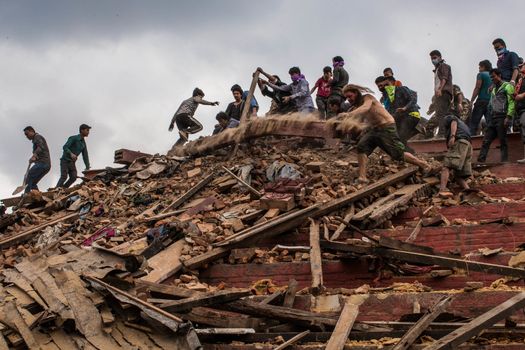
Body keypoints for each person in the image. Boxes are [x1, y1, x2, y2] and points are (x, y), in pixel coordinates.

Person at [338, 84, 431, 184]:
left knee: (398, 154)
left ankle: (424, 165)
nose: (349, 99)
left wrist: (349, 115)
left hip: (386, 127)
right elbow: (358, 121)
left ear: (356, 93)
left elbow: (365, 108)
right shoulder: (355, 107)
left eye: (350, 96)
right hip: (374, 130)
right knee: (361, 147)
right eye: (347, 98)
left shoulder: (368, 98)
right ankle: (362, 177)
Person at [478, 69, 515, 163]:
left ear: (499, 75)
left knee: (502, 140)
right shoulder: (493, 89)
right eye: (491, 77)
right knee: (486, 140)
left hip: (502, 117)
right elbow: (491, 103)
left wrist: (509, 116)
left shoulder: (507, 86)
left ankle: (504, 162)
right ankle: (480, 161)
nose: (492, 79)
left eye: (493, 76)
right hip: (493, 117)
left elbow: (511, 102)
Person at [375, 76, 421, 151]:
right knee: (393, 136)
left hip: (411, 114)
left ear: (392, 83)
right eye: (380, 86)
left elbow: (413, 99)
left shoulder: (401, 89)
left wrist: (405, 108)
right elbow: (389, 110)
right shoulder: (386, 96)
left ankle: (408, 155)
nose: (383, 87)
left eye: (386, 85)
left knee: (401, 136)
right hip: (399, 117)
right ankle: (407, 153)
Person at [438, 115, 472, 198]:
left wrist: (452, 136)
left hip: (459, 142)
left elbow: (453, 121)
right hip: (468, 145)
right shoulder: (463, 125)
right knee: (458, 175)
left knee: (446, 167)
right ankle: (469, 191)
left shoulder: (449, 118)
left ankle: (442, 190)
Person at [426, 50, 453, 138]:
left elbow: (444, 79)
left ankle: (442, 134)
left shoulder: (444, 66)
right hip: (440, 94)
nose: (433, 60)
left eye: (435, 58)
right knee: (440, 114)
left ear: (440, 58)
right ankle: (444, 133)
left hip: (444, 92)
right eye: (431, 59)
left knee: (441, 114)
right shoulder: (437, 69)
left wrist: (440, 89)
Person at [56, 124, 91, 188]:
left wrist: (87, 166)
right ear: (82, 130)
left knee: (73, 177)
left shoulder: (83, 143)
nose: (88, 132)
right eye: (87, 130)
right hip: (65, 161)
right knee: (64, 177)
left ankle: (63, 189)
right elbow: (65, 147)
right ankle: (55, 190)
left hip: (72, 163)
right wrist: (71, 154)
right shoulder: (74, 138)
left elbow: (85, 155)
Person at [23, 126, 51, 193]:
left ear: (32, 131)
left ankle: (26, 194)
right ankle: (37, 196)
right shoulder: (35, 140)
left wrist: (34, 155)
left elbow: (41, 147)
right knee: (33, 183)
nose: (26, 136)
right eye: (25, 135)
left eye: (27, 134)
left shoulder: (37, 137)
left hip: (43, 163)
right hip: (46, 165)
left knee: (29, 176)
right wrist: (32, 159)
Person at [470, 60, 493, 135]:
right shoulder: (492, 75)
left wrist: (472, 101)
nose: (479, 68)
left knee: (474, 123)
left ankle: (470, 140)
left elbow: (477, 87)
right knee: (490, 123)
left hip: (481, 101)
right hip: (490, 101)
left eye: (480, 66)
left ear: (484, 67)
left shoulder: (481, 74)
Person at [513, 63, 525, 163]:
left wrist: (522, 95)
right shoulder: (521, 80)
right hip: (520, 110)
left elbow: (520, 95)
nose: (520, 67)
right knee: (523, 132)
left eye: (522, 65)